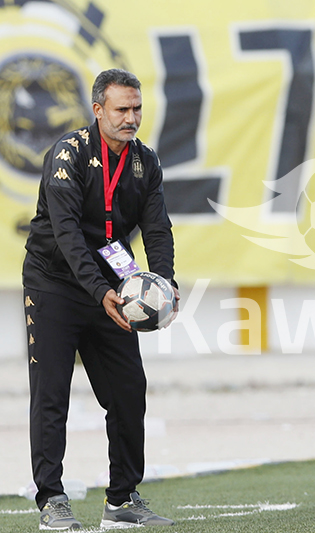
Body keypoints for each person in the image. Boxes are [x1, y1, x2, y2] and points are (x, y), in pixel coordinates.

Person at [23, 69, 178, 530]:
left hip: (113, 288)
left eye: (137, 109)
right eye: (121, 110)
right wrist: (101, 291)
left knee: (129, 390)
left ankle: (122, 499)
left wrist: (164, 287)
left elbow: (157, 230)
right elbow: (67, 234)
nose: (131, 118)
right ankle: (51, 499)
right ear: (97, 110)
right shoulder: (67, 154)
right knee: (52, 395)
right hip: (53, 283)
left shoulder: (144, 162)